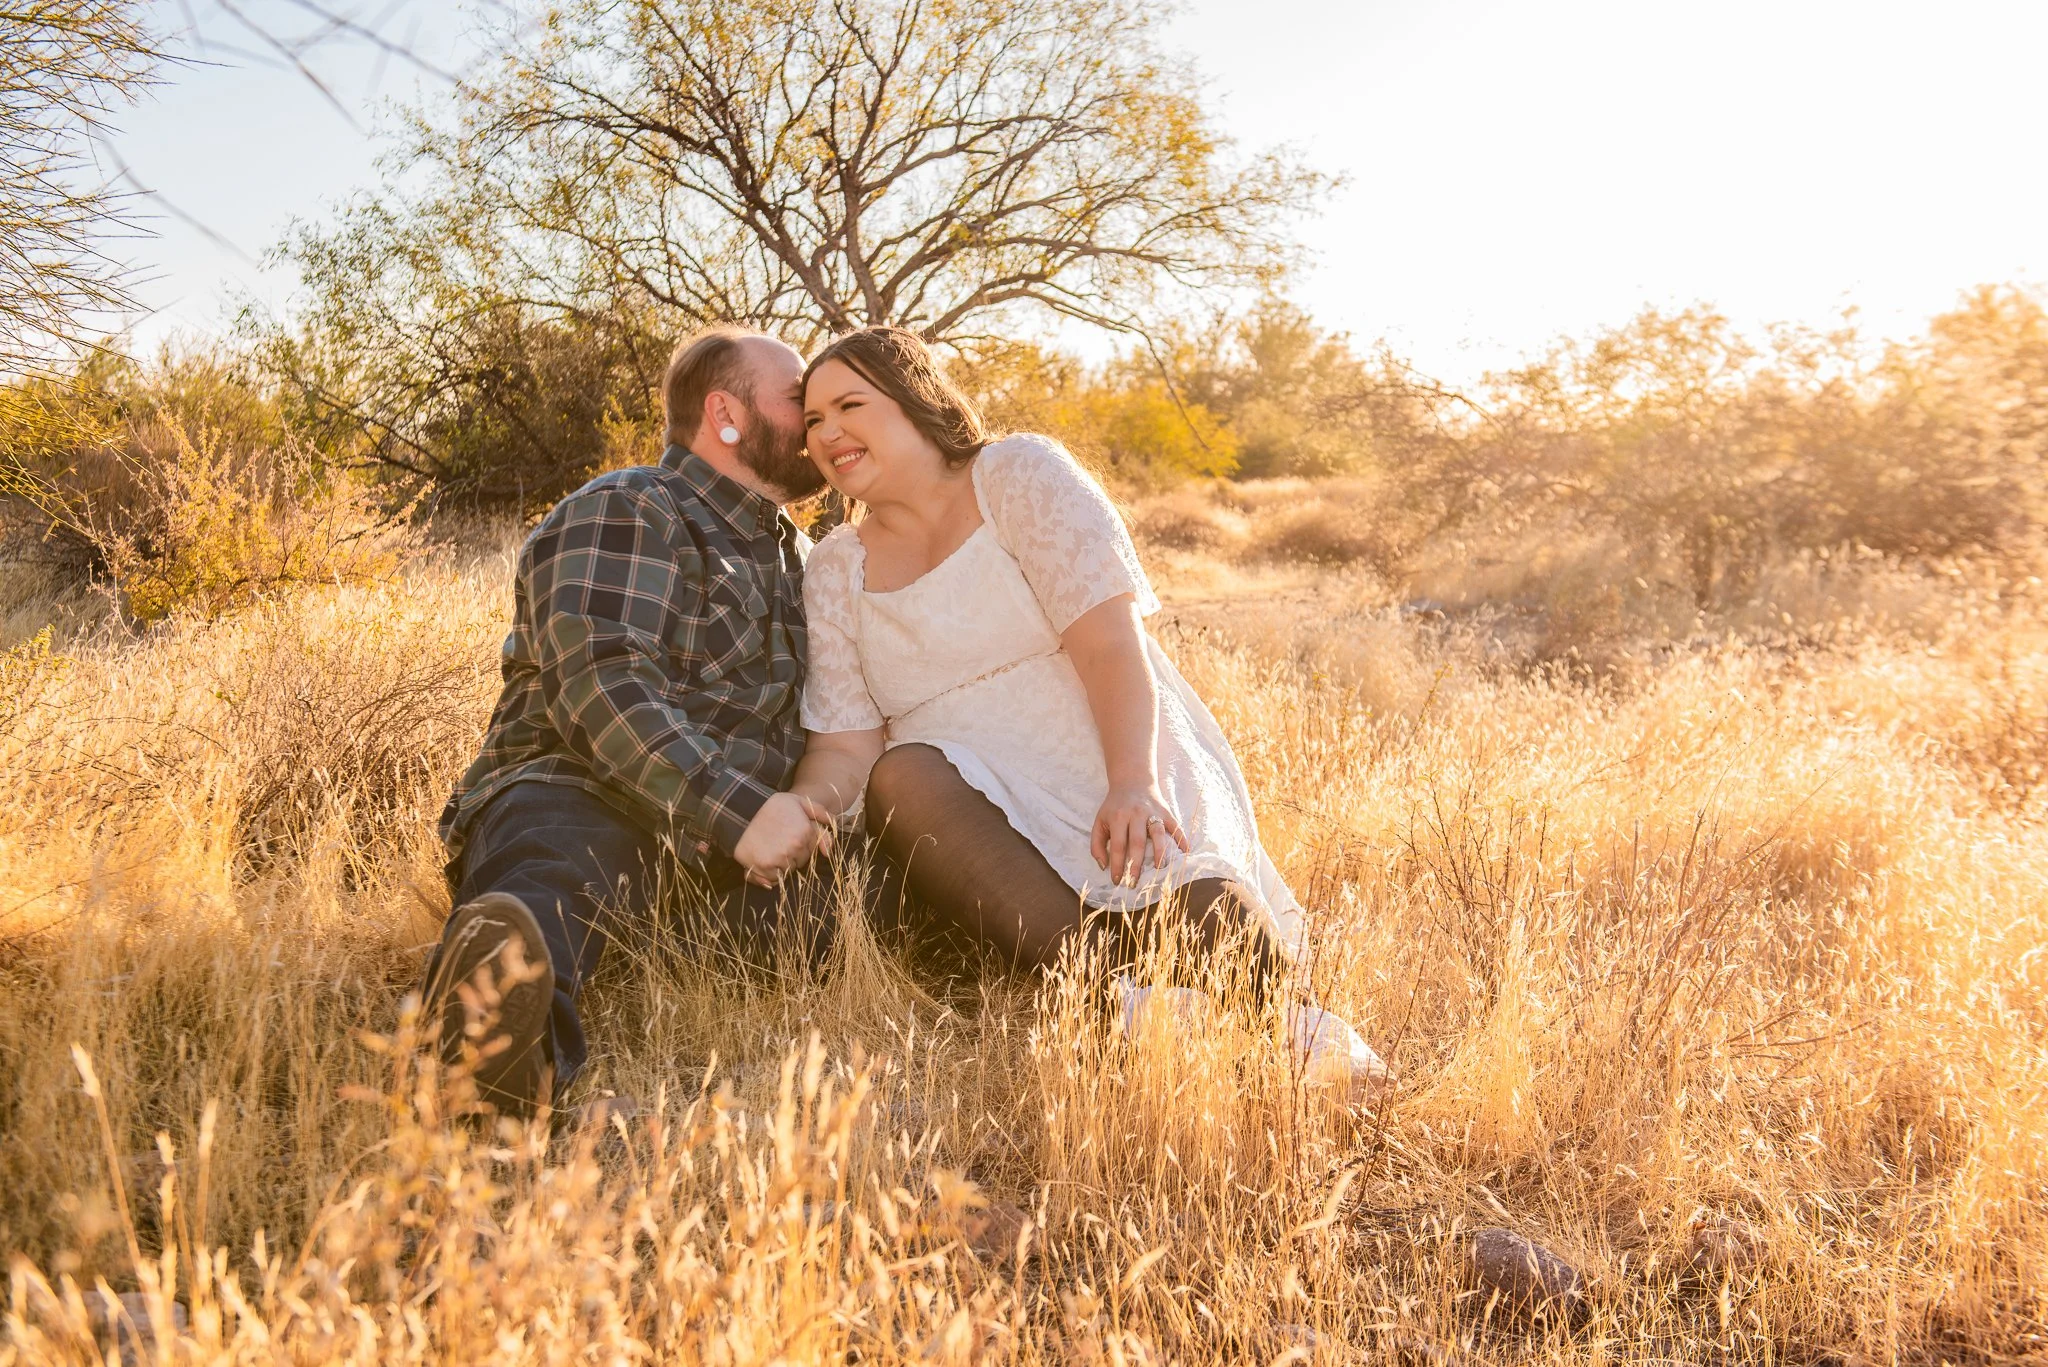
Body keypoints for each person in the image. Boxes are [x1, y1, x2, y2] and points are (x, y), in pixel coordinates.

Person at [786, 327, 1389, 1094]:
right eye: (812, 419)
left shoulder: (1016, 474)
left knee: (1212, 923)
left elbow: (1109, 641)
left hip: (1107, 762)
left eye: (849, 405)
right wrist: (795, 809)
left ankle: (1282, 1037)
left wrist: (1133, 780)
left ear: (914, 399)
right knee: (903, 774)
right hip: (973, 816)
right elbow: (846, 748)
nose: (828, 432)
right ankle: (1126, 1007)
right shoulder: (836, 567)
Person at [421, 326, 840, 1119]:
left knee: (867, 893)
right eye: (799, 400)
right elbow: (603, 686)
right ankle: (488, 1058)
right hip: (587, 796)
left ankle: (643, 951)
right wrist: (739, 811)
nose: (817, 420)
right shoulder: (632, 505)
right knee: (560, 866)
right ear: (726, 413)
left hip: (726, 855)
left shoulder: (806, 556)